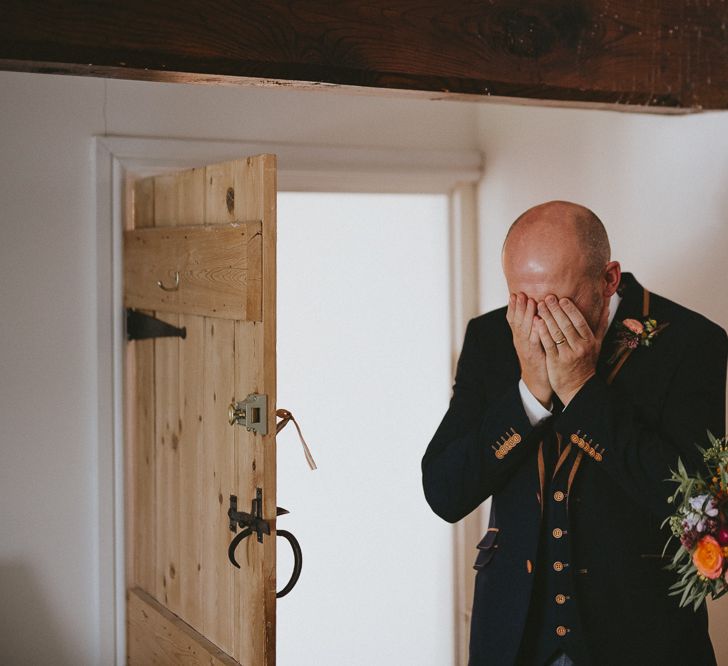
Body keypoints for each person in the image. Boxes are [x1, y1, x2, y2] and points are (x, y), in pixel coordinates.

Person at [421, 201, 727, 666]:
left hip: (644, 639)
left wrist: (584, 393)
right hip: (512, 641)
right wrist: (528, 395)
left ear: (608, 279)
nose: (539, 321)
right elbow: (445, 491)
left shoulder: (691, 342)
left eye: (559, 301)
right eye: (523, 300)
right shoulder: (488, 337)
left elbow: (698, 509)